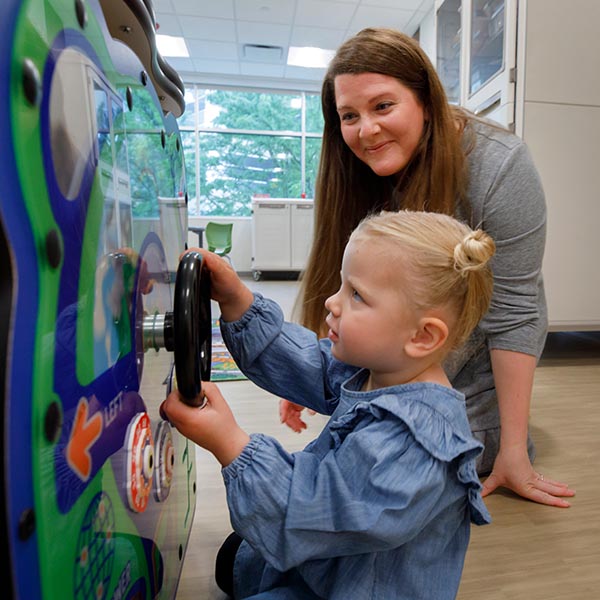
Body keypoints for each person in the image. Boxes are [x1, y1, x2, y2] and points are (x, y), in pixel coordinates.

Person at [279, 27, 575, 508]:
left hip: (471, 343)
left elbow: (516, 311)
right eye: (348, 116)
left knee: (412, 448)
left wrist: (514, 451)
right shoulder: (353, 165)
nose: (365, 131)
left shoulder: (500, 167)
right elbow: (343, 274)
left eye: (383, 107)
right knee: (368, 437)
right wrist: (317, 363)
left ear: (426, 98)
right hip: (407, 343)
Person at [162, 210, 495, 599]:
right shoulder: (381, 371)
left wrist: (229, 443)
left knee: (250, 555)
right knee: (232, 558)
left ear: (422, 336)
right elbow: (309, 363)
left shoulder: (413, 444)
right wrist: (238, 300)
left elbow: (314, 510)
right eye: (342, 285)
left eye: (356, 294)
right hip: (329, 562)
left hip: (351, 589)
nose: (332, 302)